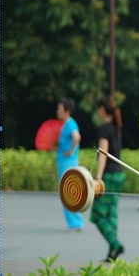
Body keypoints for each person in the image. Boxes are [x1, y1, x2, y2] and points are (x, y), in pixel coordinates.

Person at [90, 96, 125, 262]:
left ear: (103, 109)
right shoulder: (116, 126)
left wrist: (98, 177)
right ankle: (112, 254)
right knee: (112, 214)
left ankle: (115, 244)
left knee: (97, 215)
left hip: (108, 175)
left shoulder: (105, 128)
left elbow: (103, 153)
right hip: (119, 174)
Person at [56, 98, 84, 232]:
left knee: (69, 191)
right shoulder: (66, 124)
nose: (58, 111)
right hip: (64, 161)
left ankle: (75, 223)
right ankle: (75, 222)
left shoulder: (70, 124)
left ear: (66, 111)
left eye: (60, 109)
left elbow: (76, 137)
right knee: (69, 191)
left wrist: (71, 150)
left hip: (68, 162)